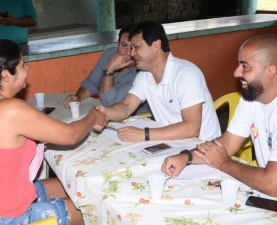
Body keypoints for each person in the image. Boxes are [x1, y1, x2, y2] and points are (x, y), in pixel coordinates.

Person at [0, 40, 107, 225]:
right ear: (6, 75)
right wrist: (92, 117)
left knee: (74, 184)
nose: (27, 69)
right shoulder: (10, 109)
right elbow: (71, 135)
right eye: (22, 65)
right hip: (9, 218)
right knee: (94, 207)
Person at [162, 34, 277, 197]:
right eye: (238, 65)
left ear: (271, 71)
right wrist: (186, 157)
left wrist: (225, 163)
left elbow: (272, 184)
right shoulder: (251, 99)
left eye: (245, 67)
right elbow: (227, 144)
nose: (236, 73)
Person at [97, 21, 221, 142]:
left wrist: (143, 134)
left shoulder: (186, 74)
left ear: (156, 45)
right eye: (130, 48)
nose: (131, 53)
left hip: (203, 147)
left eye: (136, 47)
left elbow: (192, 128)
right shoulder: (145, 75)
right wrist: (105, 112)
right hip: (170, 142)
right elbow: (127, 106)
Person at [63, 24, 150, 115]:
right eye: (124, 45)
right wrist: (77, 98)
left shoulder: (142, 70)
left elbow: (110, 104)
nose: (128, 53)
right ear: (117, 44)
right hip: (108, 115)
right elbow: (91, 83)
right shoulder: (109, 53)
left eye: (133, 47)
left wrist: (109, 69)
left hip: (135, 120)